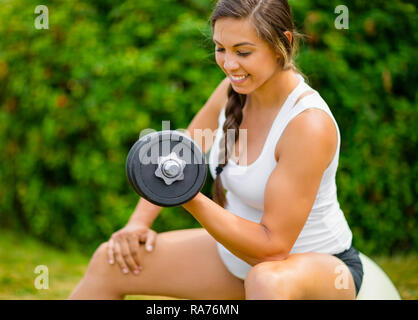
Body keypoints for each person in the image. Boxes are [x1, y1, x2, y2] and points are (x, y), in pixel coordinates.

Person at [69, 0, 363, 300]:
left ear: (282, 44)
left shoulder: (307, 124)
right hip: (237, 261)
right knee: (111, 261)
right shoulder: (231, 91)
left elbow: (273, 249)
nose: (229, 64)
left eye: (243, 52)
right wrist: (137, 224)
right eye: (221, 48)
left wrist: (187, 196)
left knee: (266, 281)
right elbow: (180, 151)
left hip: (316, 271)